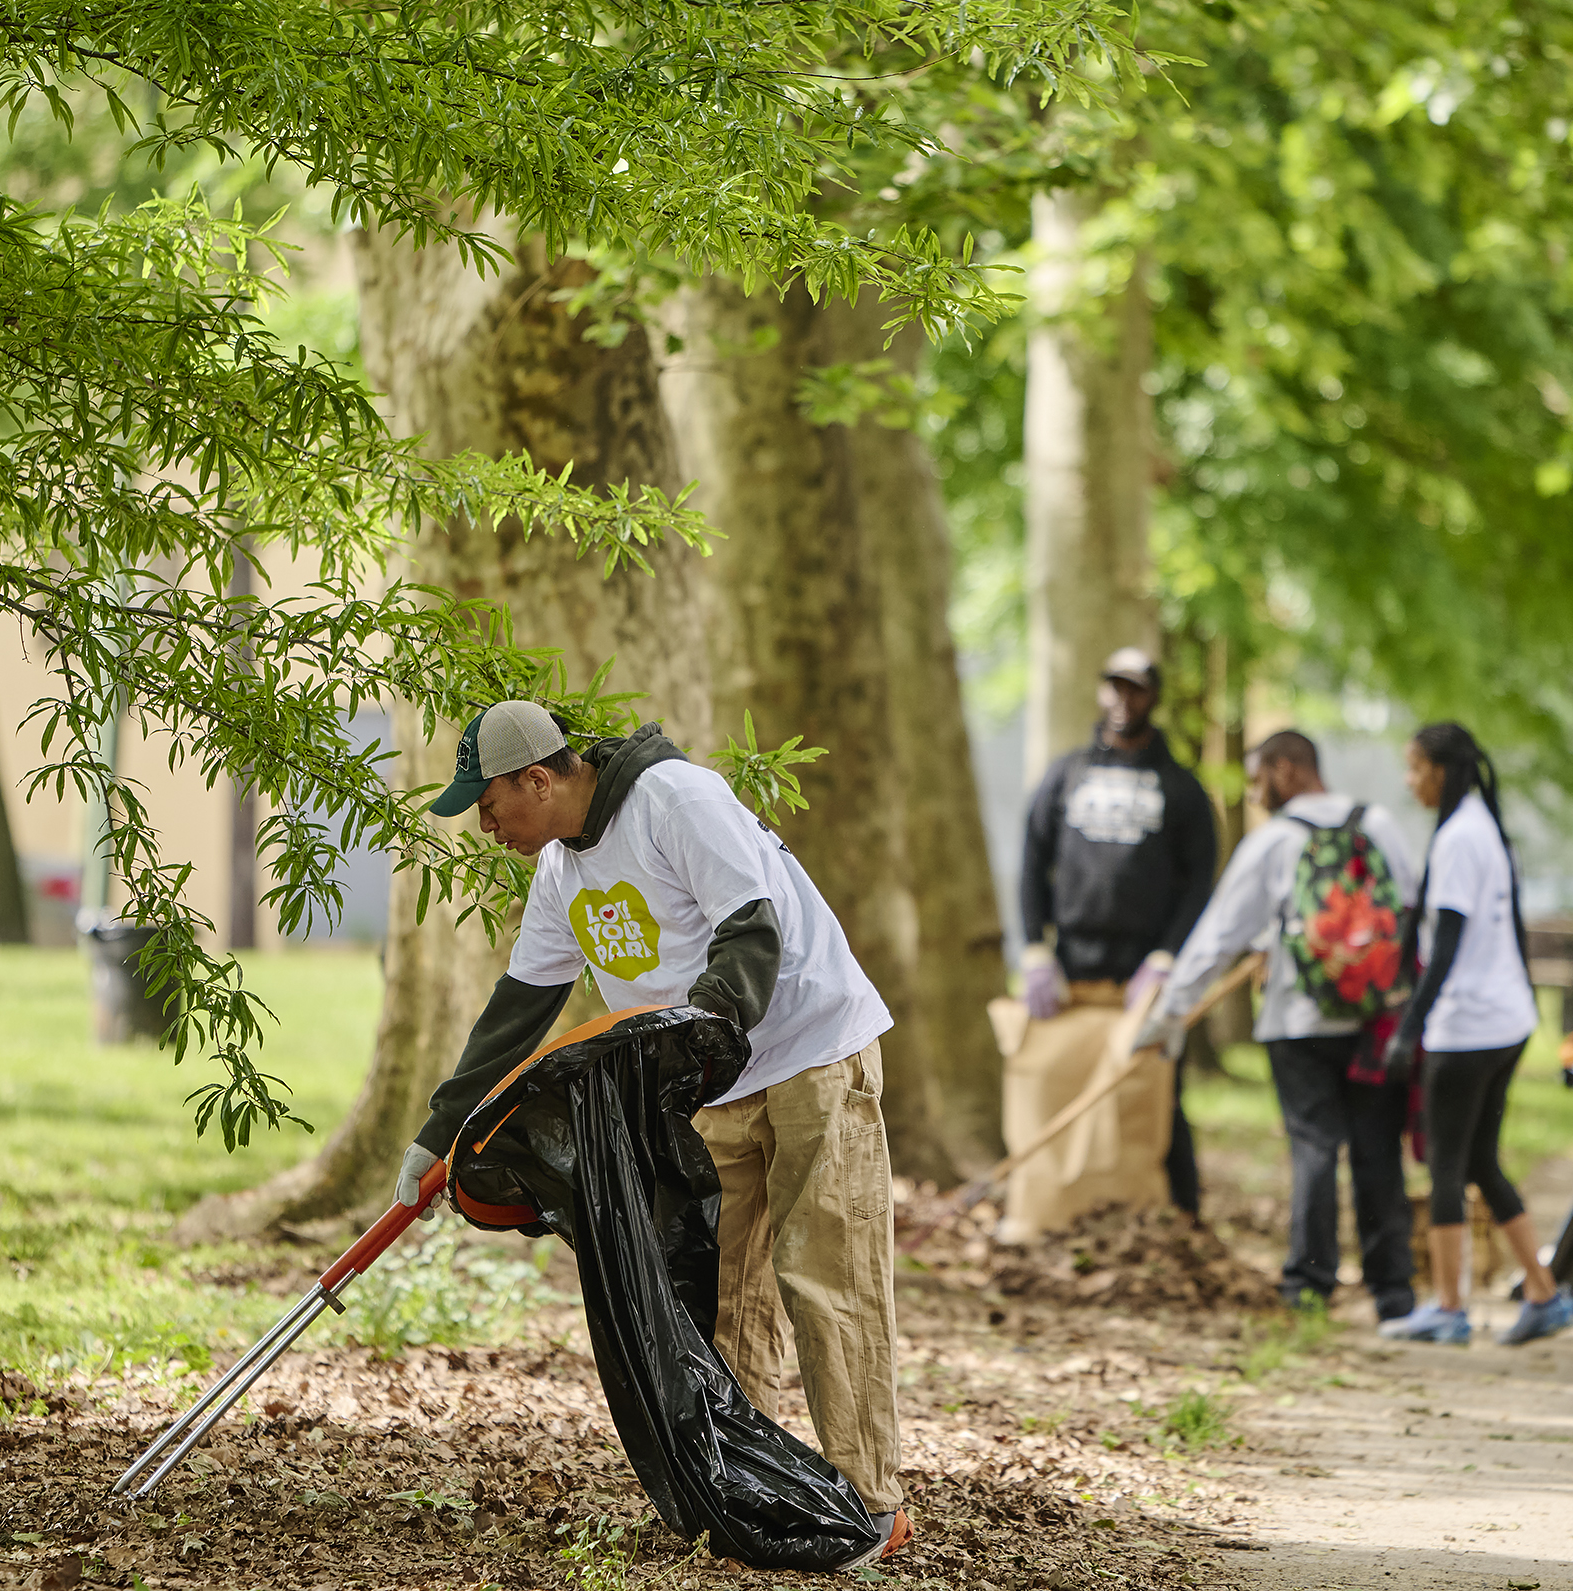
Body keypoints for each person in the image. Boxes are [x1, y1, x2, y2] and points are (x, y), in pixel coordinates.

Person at [393, 702, 910, 1555]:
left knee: (827, 1277)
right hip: (713, 1078)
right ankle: (741, 1490)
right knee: (715, 1291)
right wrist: (439, 1134)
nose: (484, 825)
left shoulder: (677, 800)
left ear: (539, 778)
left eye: (488, 805)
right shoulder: (563, 870)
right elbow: (518, 1015)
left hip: (811, 1047)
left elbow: (753, 928)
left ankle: (871, 1504)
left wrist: (704, 1033)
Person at [1134, 729, 1421, 1326]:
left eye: (1258, 774)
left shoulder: (1275, 842)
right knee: (1376, 1151)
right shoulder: (1380, 825)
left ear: (1288, 770)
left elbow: (1218, 936)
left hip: (1298, 1020)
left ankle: (1309, 1288)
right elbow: (1412, 910)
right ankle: (1393, 1294)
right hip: (1375, 1019)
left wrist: (1169, 1014)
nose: (1255, 789)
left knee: (1314, 1148)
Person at [1378, 722, 1573, 1347]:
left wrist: (1409, 1028)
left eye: (1415, 769)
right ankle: (1543, 1292)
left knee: (1445, 1162)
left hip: (1468, 1026)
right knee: (1482, 1161)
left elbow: (1449, 946)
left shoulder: (1461, 836)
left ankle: (1448, 1306)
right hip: (1504, 1018)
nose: (1409, 782)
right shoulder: (1480, 826)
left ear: (1441, 769)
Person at [1013, 646, 1221, 1213]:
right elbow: (1033, 864)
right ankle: (1068, 1209)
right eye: (1115, 686)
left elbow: (1200, 881)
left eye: (1136, 688)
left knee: (1154, 1091)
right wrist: (1035, 949)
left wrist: (1168, 958)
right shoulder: (1065, 774)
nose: (1124, 700)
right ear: (1102, 692)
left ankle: (1180, 1216)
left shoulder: (1181, 788)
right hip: (1074, 965)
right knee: (1066, 1084)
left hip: (1144, 971)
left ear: (1153, 698)